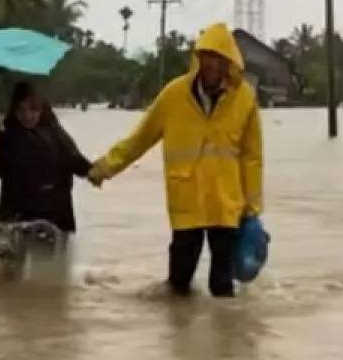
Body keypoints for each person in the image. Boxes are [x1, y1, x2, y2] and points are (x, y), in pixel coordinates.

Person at [88, 23, 263, 297]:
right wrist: (106, 167)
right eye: (205, 56)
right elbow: (140, 138)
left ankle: (227, 339)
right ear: (198, 58)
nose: (211, 65)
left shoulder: (245, 99)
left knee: (222, 289)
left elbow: (253, 157)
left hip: (225, 204)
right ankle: (179, 337)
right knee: (178, 286)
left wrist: (252, 207)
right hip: (187, 201)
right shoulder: (174, 95)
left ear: (229, 62)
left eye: (217, 58)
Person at [0, 81, 94, 272]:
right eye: (21, 110)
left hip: (49, 220)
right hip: (13, 219)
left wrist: (105, 171)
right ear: (14, 110)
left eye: (33, 109)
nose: (27, 115)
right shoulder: (6, 134)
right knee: (7, 280)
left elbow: (79, 164)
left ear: (42, 108)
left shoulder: (55, 134)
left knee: (45, 281)